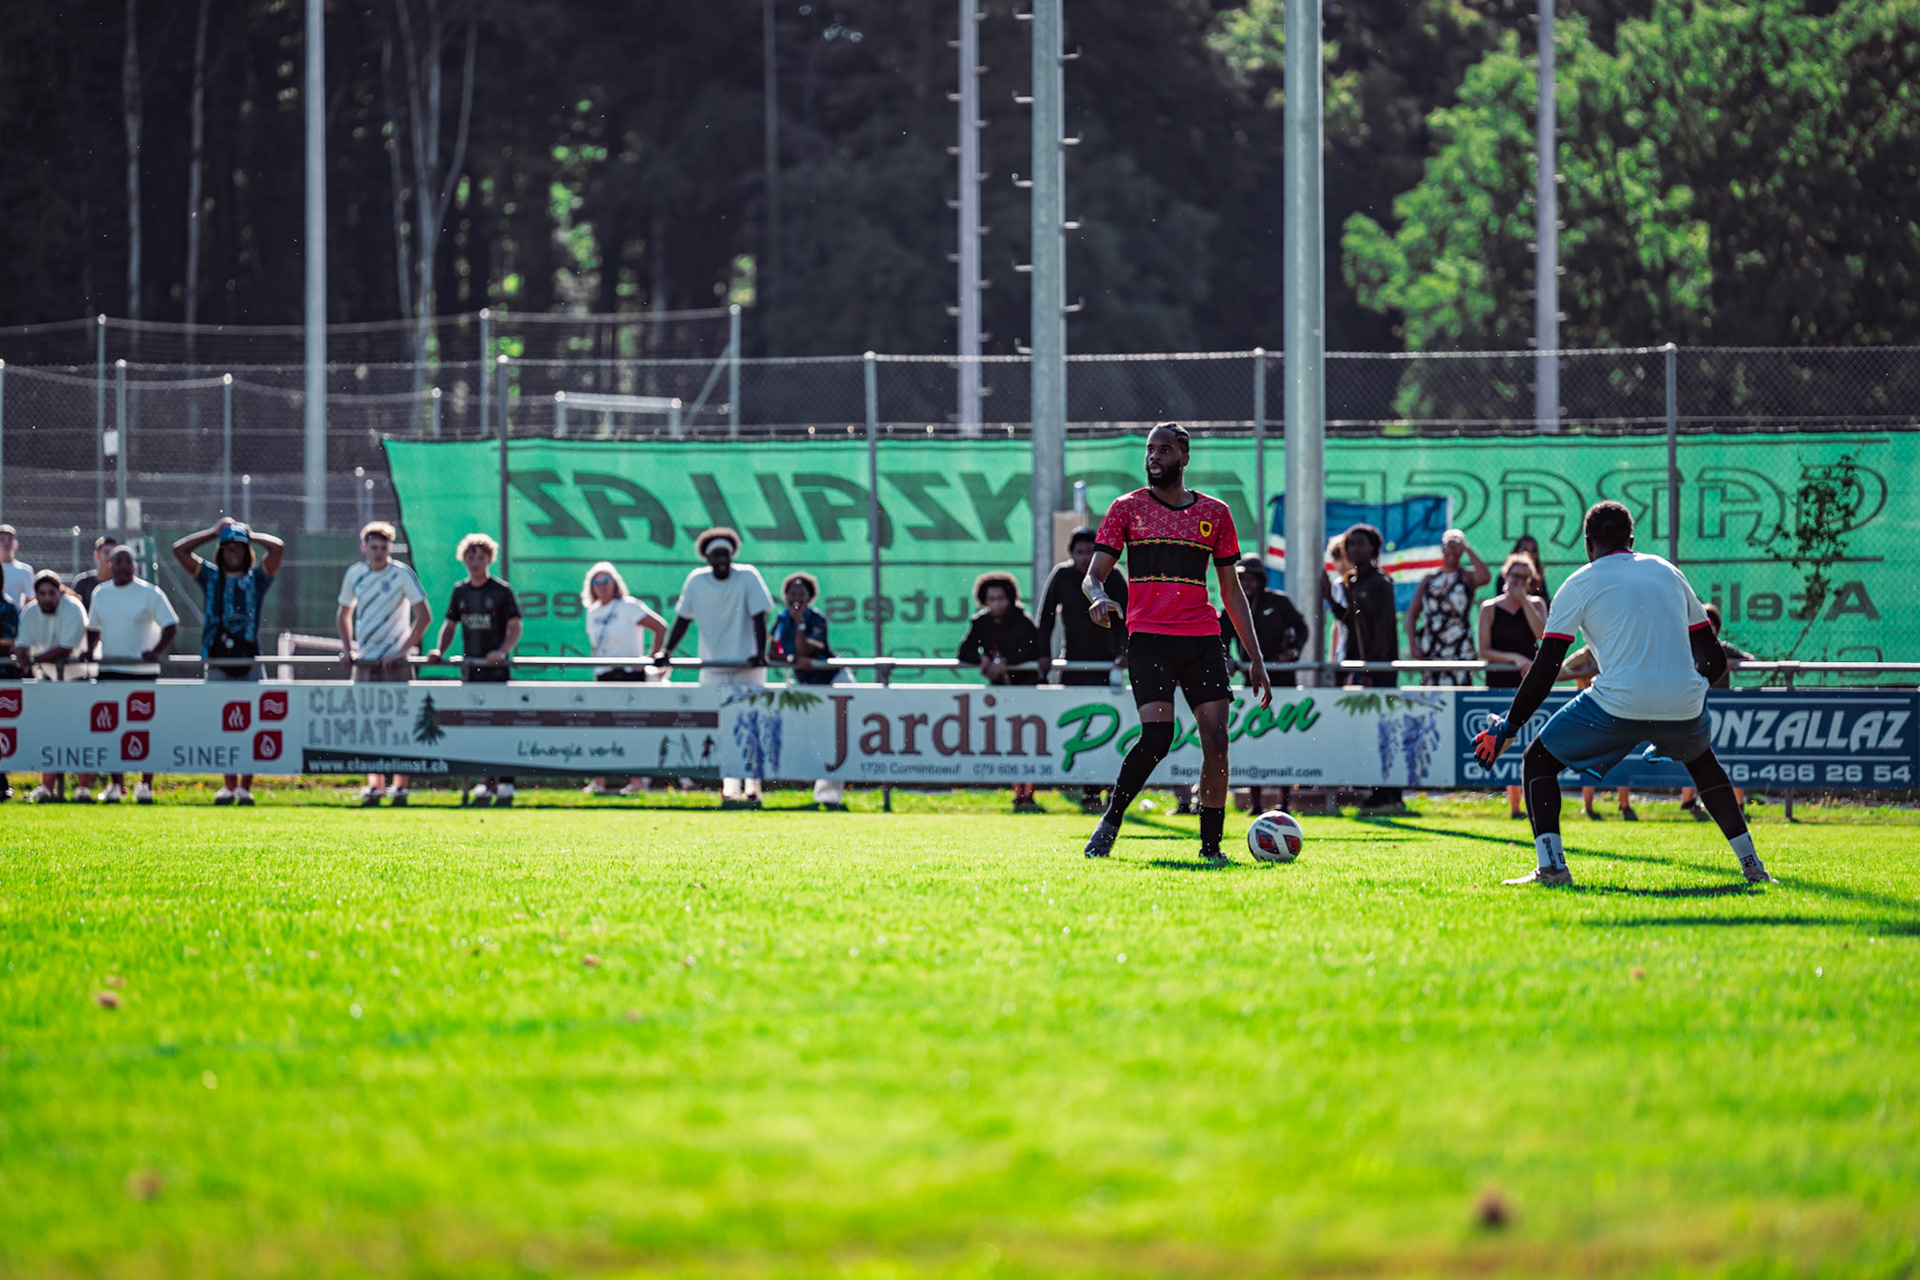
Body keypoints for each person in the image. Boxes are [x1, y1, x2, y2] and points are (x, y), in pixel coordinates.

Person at [1473, 500, 1774, 887]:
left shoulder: (1579, 582)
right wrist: (1678, 700)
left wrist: (1510, 726)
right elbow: (1714, 663)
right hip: (1683, 703)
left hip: (1618, 702)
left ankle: (1551, 868)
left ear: (1588, 545)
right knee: (1702, 764)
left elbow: (1546, 667)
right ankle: (1753, 866)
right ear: (1632, 539)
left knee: (1539, 761)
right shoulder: (1668, 571)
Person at [1081, 423, 1273, 861]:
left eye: (1165, 450)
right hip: (1149, 639)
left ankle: (1211, 848)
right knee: (1157, 738)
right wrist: (1099, 597)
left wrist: (1255, 658)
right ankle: (1110, 821)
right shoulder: (1126, 509)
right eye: (1150, 449)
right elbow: (1094, 576)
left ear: (1184, 458)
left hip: (1202, 639)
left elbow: (1231, 591)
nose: (1154, 457)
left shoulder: (1217, 513)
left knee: (1217, 741)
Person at [655, 526, 775, 808]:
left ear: (732, 555)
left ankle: (753, 787)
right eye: (715, 555)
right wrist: (667, 651)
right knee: (723, 730)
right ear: (707, 558)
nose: (721, 559)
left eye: (726, 554)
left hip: (748, 666)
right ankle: (729, 787)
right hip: (714, 667)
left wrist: (759, 653)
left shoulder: (747, 576)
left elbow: (759, 616)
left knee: (752, 725)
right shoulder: (697, 581)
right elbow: (683, 619)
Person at [173, 519, 285, 805]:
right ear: (220, 552)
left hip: (249, 659)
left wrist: (252, 534)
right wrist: (212, 532)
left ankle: (246, 787)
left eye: (239, 548)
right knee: (224, 723)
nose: (233, 553)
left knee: (252, 722)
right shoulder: (210, 577)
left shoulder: (257, 579)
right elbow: (180, 551)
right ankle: (228, 784)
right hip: (218, 659)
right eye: (228, 548)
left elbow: (277, 550)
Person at [336, 521, 431, 807]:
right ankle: (374, 785)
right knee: (366, 723)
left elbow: (424, 616)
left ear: (390, 548)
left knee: (401, 723)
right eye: (373, 547)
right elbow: (343, 615)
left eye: (383, 547)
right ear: (364, 548)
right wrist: (347, 649)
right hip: (365, 661)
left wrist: (401, 652)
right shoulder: (355, 573)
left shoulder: (402, 574)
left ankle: (400, 786)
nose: (378, 553)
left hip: (396, 664)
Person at [425, 533, 523, 807]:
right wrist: (439, 651)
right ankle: (484, 783)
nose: (475, 562)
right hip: (471, 672)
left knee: (501, 727)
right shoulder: (461, 592)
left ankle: (506, 783)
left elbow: (515, 628)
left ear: (490, 559)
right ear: (463, 559)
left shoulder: (501, 591)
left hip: (496, 672)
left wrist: (502, 652)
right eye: (471, 556)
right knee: (477, 727)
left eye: (481, 557)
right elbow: (450, 625)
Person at [1037, 527, 1129, 813]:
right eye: (1079, 552)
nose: (1084, 557)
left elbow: (1129, 614)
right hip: (1073, 664)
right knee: (1077, 726)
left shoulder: (1112, 576)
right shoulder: (1062, 575)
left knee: (1107, 725)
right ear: (1071, 553)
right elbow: (1046, 616)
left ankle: (1108, 788)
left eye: (1090, 551)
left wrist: (1125, 653)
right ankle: (1085, 789)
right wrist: (1043, 654)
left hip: (1108, 665)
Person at [86, 545, 178, 805]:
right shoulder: (100, 593)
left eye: (128, 562)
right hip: (110, 669)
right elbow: (93, 628)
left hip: (142, 672)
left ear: (135, 566)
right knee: (113, 730)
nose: (124, 566)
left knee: (144, 729)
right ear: (110, 566)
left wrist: (156, 651)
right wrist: (90, 651)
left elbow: (170, 625)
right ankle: (116, 785)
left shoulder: (150, 593)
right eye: (119, 562)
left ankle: (145, 785)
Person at [1324, 522, 1404, 812]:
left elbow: (1382, 631)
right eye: (1351, 544)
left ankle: (1390, 796)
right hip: (1365, 668)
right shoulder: (1353, 580)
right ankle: (1381, 792)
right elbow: (1351, 622)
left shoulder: (1380, 582)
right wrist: (1329, 599)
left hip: (1379, 670)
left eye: (1361, 544)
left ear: (1373, 549)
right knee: (1371, 731)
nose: (1355, 549)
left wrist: (1372, 671)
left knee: (1384, 730)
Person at [1220, 553, 1308, 814]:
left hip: (1282, 678)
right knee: (1252, 739)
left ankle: (1285, 803)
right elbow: (1220, 637)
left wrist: (1295, 652)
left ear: (1261, 580)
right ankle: (1256, 803)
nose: (1246, 582)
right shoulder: (1231, 606)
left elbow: (1302, 627)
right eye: (1241, 577)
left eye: (1251, 578)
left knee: (1284, 740)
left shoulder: (1278, 601)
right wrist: (1229, 660)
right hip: (1252, 681)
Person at [958, 571, 1047, 813]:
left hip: (1027, 686)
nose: (996, 603)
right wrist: (983, 658)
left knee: (1029, 739)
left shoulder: (1023, 620)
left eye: (1001, 598)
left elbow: (1035, 650)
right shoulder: (981, 622)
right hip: (1001, 690)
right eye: (991, 599)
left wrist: (1007, 661)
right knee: (1010, 739)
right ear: (984, 600)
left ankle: (1029, 793)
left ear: (1010, 598)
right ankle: (1017, 793)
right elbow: (963, 652)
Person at [581, 561, 668, 797]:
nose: (601, 586)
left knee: (633, 726)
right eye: (596, 582)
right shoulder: (593, 612)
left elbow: (660, 627)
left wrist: (650, 660)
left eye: (605, 581)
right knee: (602, 728)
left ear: (615, 583)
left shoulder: (628, 606)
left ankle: (638, 780)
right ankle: (599, 781)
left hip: (630, 673)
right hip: (605, 673)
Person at [1478, 554, 1548, 820]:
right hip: (1500, 680)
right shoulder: (1489, 607)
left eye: (1524, 578)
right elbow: (1484, 649)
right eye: (1514, 576)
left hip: (1529, 683)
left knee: (1530, 742)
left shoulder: (1537, 604)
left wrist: (1525, 603)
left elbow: (1543, 634)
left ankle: (1532, 800)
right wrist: (1515, 658)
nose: (1518, 582)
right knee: (1503, 739)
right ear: (1505, 576)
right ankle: (1513, 805)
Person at [770, 571, 848, 811]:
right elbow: (773, 653)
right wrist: (792, 657)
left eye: (802, 594)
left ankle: (830, 797)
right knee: (814, 737)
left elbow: (808, 652)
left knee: (838, 736)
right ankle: (814, 790)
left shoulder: (816, 619)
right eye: (791, 593)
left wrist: (800, 625)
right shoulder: (782, 619)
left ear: (810, 597)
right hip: (808, 685)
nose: (796, 598)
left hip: (833, 681)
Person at [21, 571, 92, 802]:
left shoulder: (73, 607)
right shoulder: (30, 611)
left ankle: (83, 789)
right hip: (51, 681)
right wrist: (22, 654)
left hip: (80, 680)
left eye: (52, 593)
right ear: (36, 595)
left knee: (82, 735)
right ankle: (47, 788)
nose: (47, 598)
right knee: (50, 733)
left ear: (59, 592)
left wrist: (33, 660)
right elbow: (22, 644)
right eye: (42, 593)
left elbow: (66, 649)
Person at [1680, 603, 1752, 817]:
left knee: (1731, 757)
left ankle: (1737, 806)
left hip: (1725, 712)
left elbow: (1749, 661)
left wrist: (1725, 663)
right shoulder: (1687, 648)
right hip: (1695, 708)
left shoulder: (1724, 648)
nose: (1707, 627)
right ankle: (1688, 802)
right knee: (1693, 755)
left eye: (1711, 623)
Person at [1406, 529, 1491, 686]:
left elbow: (1485, 577)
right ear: (1442, 547)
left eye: (1456, 545)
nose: (1452, 549)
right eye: (1448, 545)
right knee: (1432, 689)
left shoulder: (1466, 577)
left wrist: (1466, 548)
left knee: (1460, 687)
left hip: (1459, 645)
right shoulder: (1430, 580)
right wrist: (1413, 644)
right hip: (1432, 645)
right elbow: (1412, 614)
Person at [1563, 645, 1636, 821]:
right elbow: (1559, 673)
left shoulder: (1620, 648)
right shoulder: (1584, 655)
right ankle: (1588, 807)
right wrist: (1583, 674)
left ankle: (1624, 804)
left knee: (1620, 758)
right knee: (1589, 759)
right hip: (1589, 712)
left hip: (1616, 710)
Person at [72, 536, 117, 610]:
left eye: (113, 553)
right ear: (96, 555)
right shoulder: (83, 582)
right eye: (107, 553)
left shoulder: (120, 583)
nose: (110, 557)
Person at [0, 525, 34, 609]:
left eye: (10, 539)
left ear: (16, 544)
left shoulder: (25, 570)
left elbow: (31, 598)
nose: (6, 543)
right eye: (2, 539)